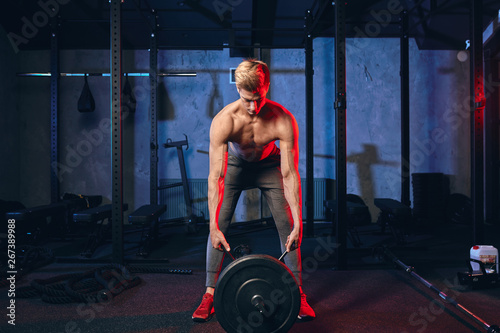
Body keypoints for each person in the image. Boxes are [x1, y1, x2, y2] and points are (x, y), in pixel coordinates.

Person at [192, 59, 316, 322]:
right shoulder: (224, 121)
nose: (252, 106)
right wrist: (212, 226)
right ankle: (210, 293)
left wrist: (299, 223)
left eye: (257, 98)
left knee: (287, 224)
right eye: (246, 98)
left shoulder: (282, 119)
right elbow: (215, 177)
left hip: (270, 164)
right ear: (237, 89)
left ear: (267, 87)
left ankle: (299, 294)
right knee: (219, 223)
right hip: (237, 166)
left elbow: (290, 173)